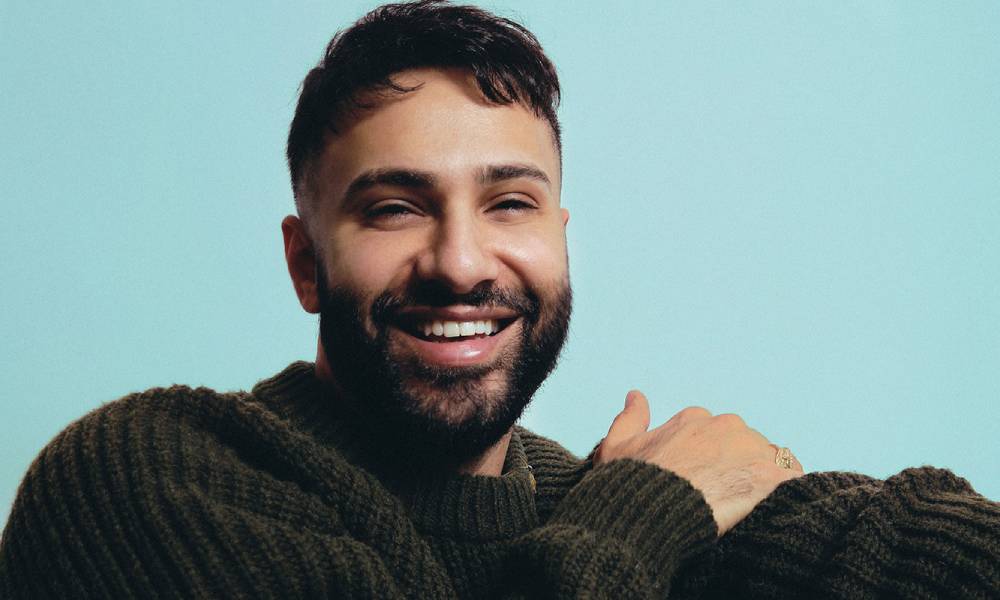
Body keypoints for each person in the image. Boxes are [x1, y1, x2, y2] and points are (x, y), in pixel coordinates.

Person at [2, 1, 997, 597]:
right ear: (306, 263)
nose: (462, 261)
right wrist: (652, 513)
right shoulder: (143, 481)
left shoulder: (600, 495)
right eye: (395, 208)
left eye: (509, 202)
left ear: (560, 240)